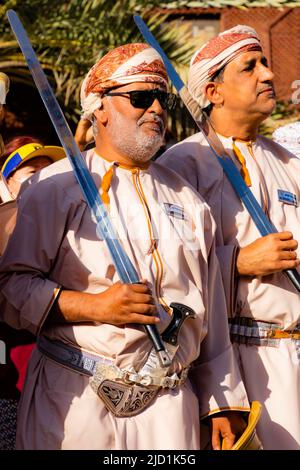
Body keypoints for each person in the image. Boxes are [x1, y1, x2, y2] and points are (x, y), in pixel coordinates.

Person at [0, 43, 249, 450]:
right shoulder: (55, 188)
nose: (155, 108)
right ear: (99, 108)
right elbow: (11, 290)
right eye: (139, 97)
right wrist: (93, 306)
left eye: (161, 98)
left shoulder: (190, 201)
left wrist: (222, 401)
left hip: (171, 408)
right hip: (76, 398)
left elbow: (213, 313)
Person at [159, 25, 300, 450]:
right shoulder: (179, 167)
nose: (268, 75)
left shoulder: (289, 162)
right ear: (214, 91)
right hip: (228, 363)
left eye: (265, 63)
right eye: (250, 67)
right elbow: (165, 272)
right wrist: (237, 262)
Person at [0, 136, 65, 449]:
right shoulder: (7, 222)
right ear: (7, 182)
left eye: (47, 172)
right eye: (31, 173)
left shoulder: (70, 225)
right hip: (13, 367)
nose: (41, 179)